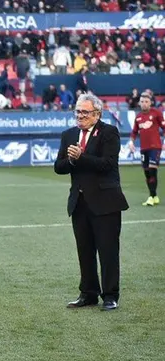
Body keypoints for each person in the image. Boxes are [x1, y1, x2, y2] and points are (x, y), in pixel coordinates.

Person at [55, 93, 129, 311]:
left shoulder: (109, 132)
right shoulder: (68, 134)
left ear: (97, 114)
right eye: (77, 111)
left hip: (106, 202)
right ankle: (88, 293)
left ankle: (110, 295)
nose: (80, 115)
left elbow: (107, 164)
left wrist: (81, 157)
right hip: (79, 202)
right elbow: (58, 167)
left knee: (108, 251)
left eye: (85, 112)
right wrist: (70, 159)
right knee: (85, 251)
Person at [127, 93, 165, 206]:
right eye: (142, 101)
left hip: (155, 147)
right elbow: (134, 132)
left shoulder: (156, 113)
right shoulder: (138, 117)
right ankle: (154, 196)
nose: (144, 104)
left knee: (153, 170)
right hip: (144, 148)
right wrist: (131, 142)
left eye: (146, 102)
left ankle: (151, 197)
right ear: (139, 103)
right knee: (147, 173)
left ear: (151, 102)